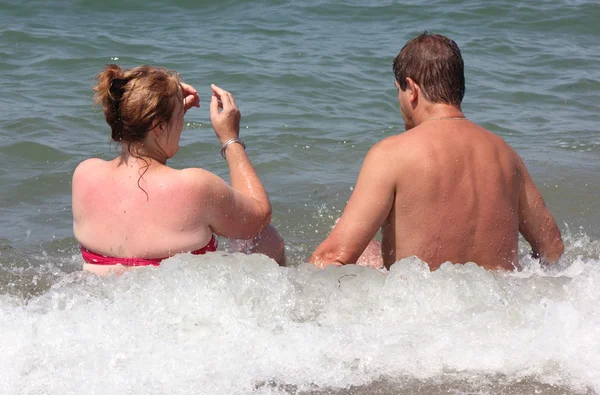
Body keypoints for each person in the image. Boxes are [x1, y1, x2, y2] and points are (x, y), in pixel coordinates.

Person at [310, 32, 563, 271]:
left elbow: (333, 258)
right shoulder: (507, 156)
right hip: (496, 308)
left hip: (422, 310)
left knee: (356, 251)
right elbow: (552, 248)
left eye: (398, 90)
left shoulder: (392, 154)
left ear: (412, 90)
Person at [73, 64, 285, 275]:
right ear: (160, 127)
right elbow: (259, 217)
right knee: (267, 238)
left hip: (105, 300)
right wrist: (230, 139)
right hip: (170, 303)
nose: (182, 125)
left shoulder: (85, 174)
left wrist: (165, 113)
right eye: (180, 118)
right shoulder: (196, 186)